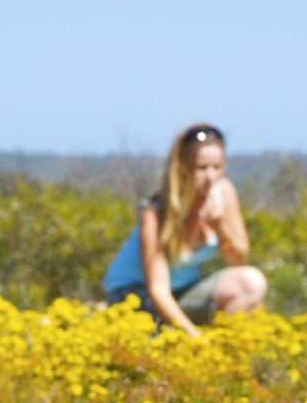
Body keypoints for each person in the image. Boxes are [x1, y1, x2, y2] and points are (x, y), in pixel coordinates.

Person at [103, 123, 267, 337]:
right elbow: (158, 290)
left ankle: (226, 350)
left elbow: (238, 259)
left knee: (250, 283)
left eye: (217, 167)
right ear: (183, 168)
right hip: (136, 295)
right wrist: (194, 339)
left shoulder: (224, 193)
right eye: (202, 168)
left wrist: (219, 225)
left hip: (183, 290)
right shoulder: (154, 212)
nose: (211, 177)